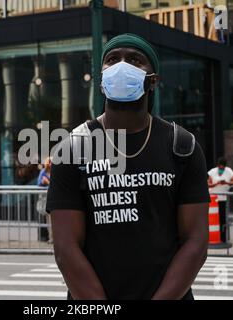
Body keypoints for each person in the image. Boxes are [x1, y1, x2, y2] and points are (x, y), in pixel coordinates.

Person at [46, 33, 210, 300]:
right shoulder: (72, 148)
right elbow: (66, 248)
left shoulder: (183, 146)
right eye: (112, 59)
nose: (121, 65)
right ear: (101, 81)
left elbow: (195, 242)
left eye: (134, 60)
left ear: (153, 80)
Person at [207, 157, 233, 243]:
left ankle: (223, 237)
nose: (221, 168)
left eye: (223, 167)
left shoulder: (229, 171)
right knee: (212, 218)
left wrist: (227, 183)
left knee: (222, 218)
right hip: (213, 197)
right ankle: (211, 236)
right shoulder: (213, 171)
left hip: (222, 197)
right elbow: (208, 183)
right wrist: (215, 184)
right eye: (220, 166)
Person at [37, 157, 52, 243]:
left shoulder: (55, 172)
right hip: (45, 198)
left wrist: (47, 182)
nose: (50, 164)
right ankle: (51, 237)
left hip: (53, 198)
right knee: (48, 219)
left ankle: (53, 238)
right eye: (49, 162)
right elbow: (38, 184)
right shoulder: (43, 172)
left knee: (53, 220)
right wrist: (43, 182)